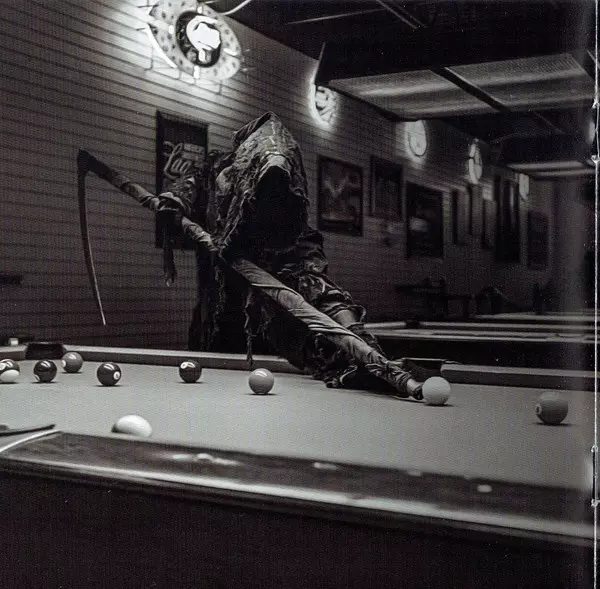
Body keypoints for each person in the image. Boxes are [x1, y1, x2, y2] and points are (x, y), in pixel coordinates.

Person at [156, 112, 399, 391]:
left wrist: (360, 339)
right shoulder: (218, 170)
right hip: (216, 325)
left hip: (272, 341)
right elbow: (188, 185)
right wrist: (174, 199)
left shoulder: (294, 237)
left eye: (276, 189)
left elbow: (324, 294)